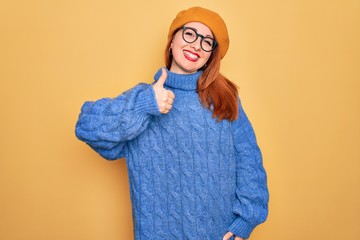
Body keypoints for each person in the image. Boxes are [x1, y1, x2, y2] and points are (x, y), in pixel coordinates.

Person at [75, 6, 269, 240]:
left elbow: (249, 161)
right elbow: (86, 126)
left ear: (211, 55)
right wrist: (143, 105)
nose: (196, 45)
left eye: (207, 42)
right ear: (172, 41)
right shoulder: (143, 99)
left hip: (218, 234)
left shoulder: (224, 98)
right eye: (189, 34)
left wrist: (246, 221)